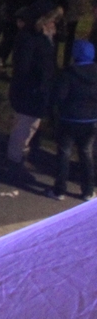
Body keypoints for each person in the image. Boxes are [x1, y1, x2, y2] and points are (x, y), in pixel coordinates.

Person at [7, 2, 60, 176]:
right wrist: (37, 84)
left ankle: (20, 154)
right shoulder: (29, 38)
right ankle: (14, 159)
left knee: (30, 126)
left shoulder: (44, 38)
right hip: (29, 92)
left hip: (38, 92)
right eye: (51, 21)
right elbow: (23, 67)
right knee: (23, 126)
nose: (54, 24)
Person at [52, 40, 97, 200]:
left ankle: (59, 190)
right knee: (86, 154)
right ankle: (88, 191)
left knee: (64, 154)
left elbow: (60, 96)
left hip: (69, 119)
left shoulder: (69, 73)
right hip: (90, 121)